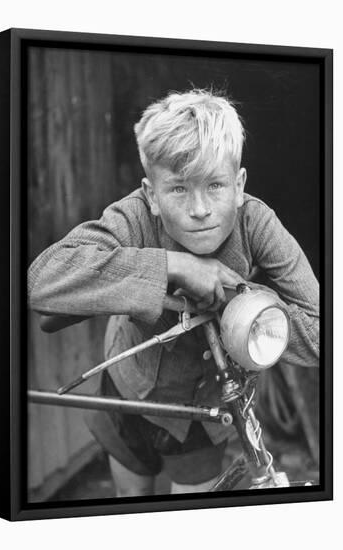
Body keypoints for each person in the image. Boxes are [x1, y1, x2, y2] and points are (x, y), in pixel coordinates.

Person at [28, 88, 319, 497]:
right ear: (151, 195)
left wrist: (238, 299)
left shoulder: (257, 223)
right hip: (127, 385)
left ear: (239, 185)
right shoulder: (133, 216)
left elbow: (323, 328)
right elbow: (42, 280)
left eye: (215, 185)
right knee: (130, 501)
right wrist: (174, 267)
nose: (200, 208)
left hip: (201, 410)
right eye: (179, 189)